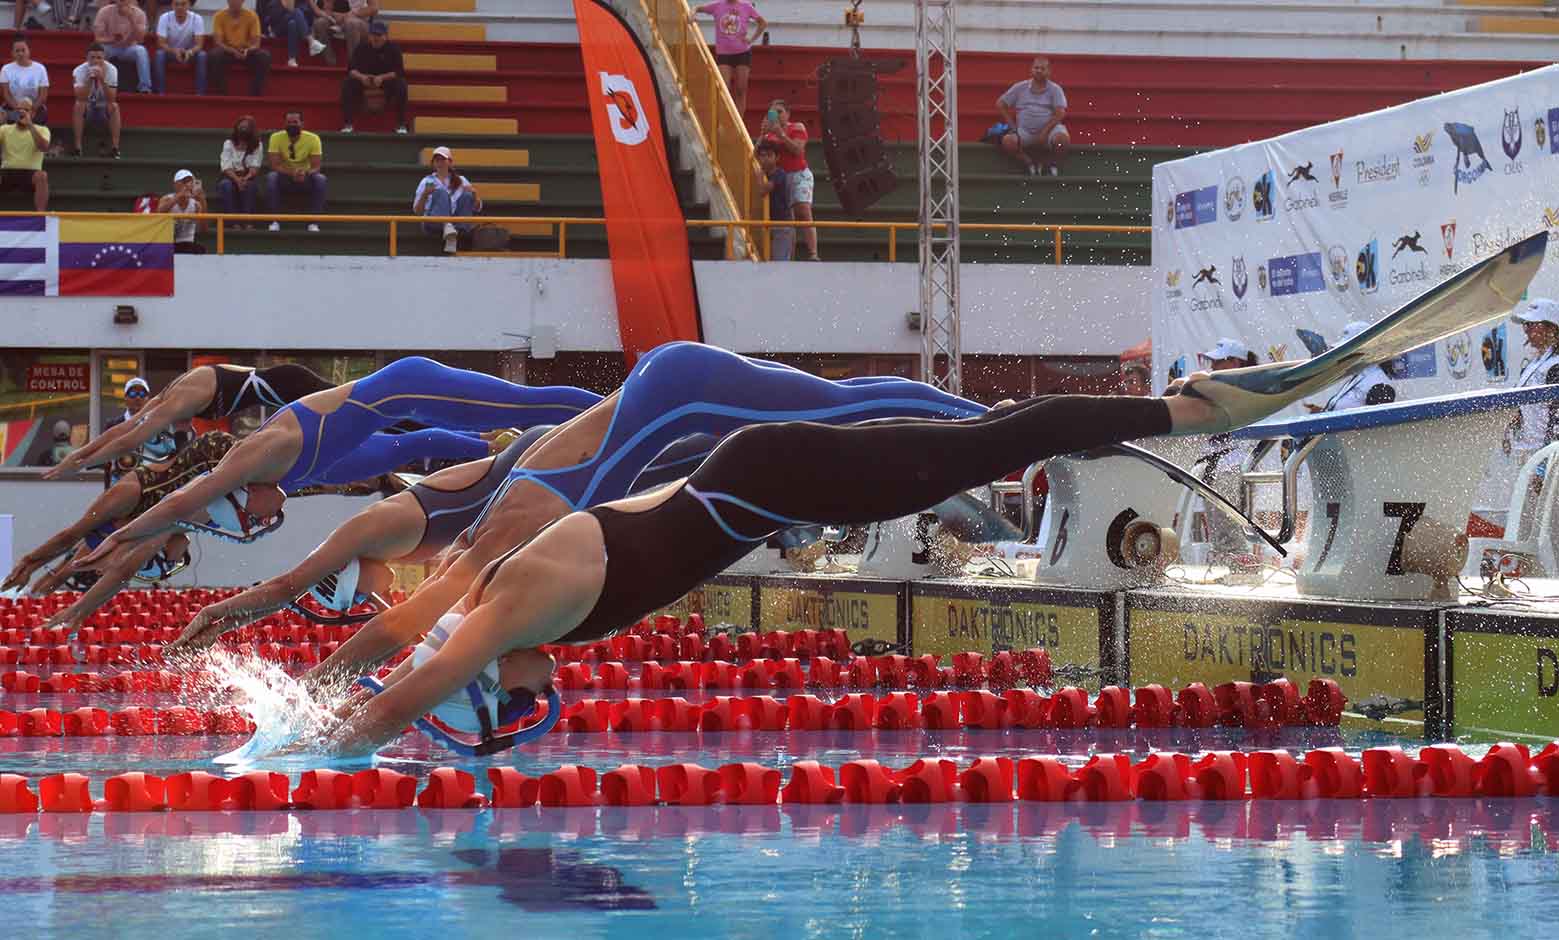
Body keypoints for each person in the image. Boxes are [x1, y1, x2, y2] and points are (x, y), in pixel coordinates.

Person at [275, 371, 1283, 757]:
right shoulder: (496, 602)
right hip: (744, 480)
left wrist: (299, 754)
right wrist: (299, 696)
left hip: (768, 481)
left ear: (489, 686)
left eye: (524, 707)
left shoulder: (508, 614)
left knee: (988, 440)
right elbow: (391, 642)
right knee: (970, 438)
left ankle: (1199, 408)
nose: (547, 698)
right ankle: (1179, 408)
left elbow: (400, 693)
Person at [170, 343, 986, 655]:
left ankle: (985, 419)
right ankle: (975, 425)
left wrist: (304, 688)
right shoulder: (455, 547)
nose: (388, 597)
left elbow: (398, 629)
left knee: (838, 405)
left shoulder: (436, 542)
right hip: (668, 419)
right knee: (824, 426)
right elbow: (414, 626)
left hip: (683, 389)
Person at [75, 357, 604, 569]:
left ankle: (622, 402)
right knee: (511, 418)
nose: (261, 520)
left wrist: (107, 541)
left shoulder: (256, 456)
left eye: (249, 517)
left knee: (522, 401)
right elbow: (400, 450)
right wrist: (482, 446)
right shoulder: (308, 476)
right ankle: (609, 419)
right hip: (406, 407)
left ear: (242, 493)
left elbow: (183, 502)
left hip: (407, 386)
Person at [44, 360, 336, 479]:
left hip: (292, 384)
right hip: (285, 394)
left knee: (351, 404)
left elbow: (129, 441)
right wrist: (78, 456)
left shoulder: (178, 403)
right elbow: (124, 428)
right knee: (343, 417)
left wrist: (79, 464)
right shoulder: (164, 402)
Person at [758, 100, 816, 261]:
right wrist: (762, 134)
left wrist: (781, 134)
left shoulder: (796, 127)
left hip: (799, 173)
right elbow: (757, 153)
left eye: (780, 112)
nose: (776, 115)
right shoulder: (769, 134)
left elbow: (798, 150)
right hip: (781, 177)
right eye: (773, 113)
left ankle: (813, 252)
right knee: (787, 219)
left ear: (788, 114)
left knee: (803, 210)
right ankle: (790, 256)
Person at [997, 56, 1069, 177]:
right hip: (1025, 131)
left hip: (1050, 131)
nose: (1039, 70)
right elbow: (1000, 104)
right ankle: (1028, 162)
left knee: (1063, 140)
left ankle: (1050, 163)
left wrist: (1045, 132)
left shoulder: (1055, 89)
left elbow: (1060, 113)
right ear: (1031, 69)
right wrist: (1012, 125)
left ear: (1049, 71)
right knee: (1007, 141)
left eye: (1042, 68)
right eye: (1036, 68)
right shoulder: (1020, 87)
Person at [1305, 321, 1397, 413]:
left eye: (1347, 351)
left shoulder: (1380, 386)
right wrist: (1322, 413)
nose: (1343, 355)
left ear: (1364, 349)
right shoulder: (1359, 375)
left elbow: (1375, 424)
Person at [694, 0, 764, 117]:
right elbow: (697, 8)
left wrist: (751, 39)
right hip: (724, 54)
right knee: (724, 89)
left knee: (741, 89)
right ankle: (725, 118)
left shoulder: (746, 6)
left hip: (742, 52)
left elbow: (762, 23)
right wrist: (692, 15)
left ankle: (739, 120)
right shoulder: (717, 5)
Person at [339, 20, 406, 134]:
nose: (376, 38)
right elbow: (351, 70)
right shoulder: (361, 48)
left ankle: (401, 124)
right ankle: (348, 124)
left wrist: (382, 77)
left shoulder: (393, 48)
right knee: (347, 84)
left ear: (385, 36)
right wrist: (361, 77)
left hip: (385, 80)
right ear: (369, 36)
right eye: (373, 35)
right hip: (365, 79)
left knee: (401, 85)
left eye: (379, 35)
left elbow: (399, 71)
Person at [103, 376, 186, 464]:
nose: (138, 398)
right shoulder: (113, 425)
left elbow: (177, 450)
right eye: (133, 394)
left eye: (142, 394)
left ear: (148, 399)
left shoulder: (161, 424)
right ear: (125, 398)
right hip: (122, 473)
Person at [266, 109, 325, 231]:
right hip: (285, 176)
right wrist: (292, 173)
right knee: (271, 177)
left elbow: (316, 166)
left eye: (295, 122)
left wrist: (305, 173)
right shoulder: (275, 137)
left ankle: (314, 223)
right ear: (284, 124)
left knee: (321, 179)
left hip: (305, 177)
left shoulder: (313, 139)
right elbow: (274, 165)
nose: (292, 124)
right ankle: (274, 220)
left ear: (302, 124)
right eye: (289, 122)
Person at [413, 145, 479, 254]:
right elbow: (417, 211)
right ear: (433, 163)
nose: (440, 162)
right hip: (433, 222)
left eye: (443, 159)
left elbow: (477, 208)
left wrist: (475, 194)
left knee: (467, 196)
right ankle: (448, 228)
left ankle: (451, 233)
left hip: (457, 223)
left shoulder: (461, 180)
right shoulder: (426, 181)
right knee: (440, 192)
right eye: (437, 160)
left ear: (450, 162)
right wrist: (425, 194)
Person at [71, 42, 122, 157]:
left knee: (114, 106)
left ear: (104, 58)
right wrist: (90, 80)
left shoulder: (112, 70)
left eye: (99, 58)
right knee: (78, 105)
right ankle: (78, 147)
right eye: (92, 57)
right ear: (87, 58)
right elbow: (80, 97)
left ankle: (115, 147)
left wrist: (102, 80)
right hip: (87, 108)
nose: (95, 61)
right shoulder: (78, 71)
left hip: (103, 108)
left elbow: (112, 98)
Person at [210, 0, 270, 97]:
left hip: (247, 52)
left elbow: (256, 43)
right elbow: (218, 42)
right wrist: (232, 51)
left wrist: (248, 50)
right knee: (214, 55)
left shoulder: (252, 15)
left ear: (243, 1)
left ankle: (256, 93)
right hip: (228, 51)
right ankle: (221, 93)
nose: (234, 2)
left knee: (264, 56)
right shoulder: (219, 16)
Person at [0, 97, 49, 210]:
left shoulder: (42, 130)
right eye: (19, 110)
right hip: (7, 172)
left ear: (33, 113)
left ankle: (40, 216)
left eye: (26, 110)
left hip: (30, 174)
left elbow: (43, 148)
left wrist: (30, 125)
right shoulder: (4, 129)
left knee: (42, 176)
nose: (21, 113)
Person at [93, 0, 151, 94]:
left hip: (129, 48)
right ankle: (97, 87)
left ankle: (145, 88)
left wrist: (131, 18)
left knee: (141, 51)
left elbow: (140, 40)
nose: (122, 2)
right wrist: (112, 40)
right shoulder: (104, 11)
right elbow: (98, 39)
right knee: (99, 49)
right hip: (110, 47)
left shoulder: (139, 14)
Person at [152, 0, 206, 94]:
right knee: (159, 54)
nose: (180, 7)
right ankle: (160, 92)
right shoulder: (165, 17)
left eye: (183, 4)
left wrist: (190, 52)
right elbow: (161, 43)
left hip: (189, 53)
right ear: (172, 5)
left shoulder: (197, 18)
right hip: (170, 52)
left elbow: (199, 44)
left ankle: (200, 93)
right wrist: (174, 51)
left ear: (189, 5)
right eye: (176, 4)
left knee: (202, 55)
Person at [217, 113, 262, 222]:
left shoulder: (257, 145)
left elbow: (255, 166)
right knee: (226, 186)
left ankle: (247, 221)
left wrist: (245, 179)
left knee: (250, 186)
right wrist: (237, 180)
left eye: (246, 127)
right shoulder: (228, 143)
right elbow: (226, 166)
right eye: (241, 127)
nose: (243, 129)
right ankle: (233, 222)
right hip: (230, 177)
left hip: (248, 176)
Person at [308, 0, 376, 67]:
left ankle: (353, 65)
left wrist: (351, 14)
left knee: (351, 23)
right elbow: (326, 9)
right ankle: (330, 61)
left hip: (359, 19)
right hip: (337, 18)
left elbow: (374, 8)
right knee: (319, 23)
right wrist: (333, 14)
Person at [754, 139, 791, 261]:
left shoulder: (780, 174)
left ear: (777, 158)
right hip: (768, 223)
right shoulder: (765, 173)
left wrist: (759, 177)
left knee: (780, 261)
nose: (765, 159)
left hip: (781, 224)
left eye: (769, 155)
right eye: (762, 156)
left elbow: (763, 190)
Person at [1, 36, 50, 126]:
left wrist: (32, 109)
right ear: (12, 53)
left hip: (35, 109)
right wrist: (18, 110)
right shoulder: (6, 69)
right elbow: (6, 94)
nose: (20, 53)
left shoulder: (40, 69)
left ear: (29, 51)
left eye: (23, 50)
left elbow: (43, 95)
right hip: (13, 108)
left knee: (37, 118)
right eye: (17, 51)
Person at [158, 168, 206, 253]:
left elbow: (202, 230)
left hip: (187, 243)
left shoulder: (196, 205)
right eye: (184, 182)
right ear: (176, 185)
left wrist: (202, 200)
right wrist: (179, 195)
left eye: (190, 182)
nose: (187, 185)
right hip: (169, 242)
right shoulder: (166, 199)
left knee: (200, 249)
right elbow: (159, 214)